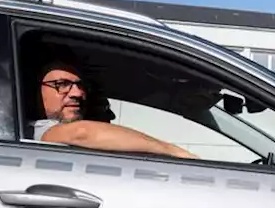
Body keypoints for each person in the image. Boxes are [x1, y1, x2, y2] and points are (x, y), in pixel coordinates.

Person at [30, 56, 199, 160]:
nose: (78, 93)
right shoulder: (35, 130)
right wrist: (172, 151)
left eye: (80, 85)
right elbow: (81, 133)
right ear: (36, 91)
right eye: (62, 84)